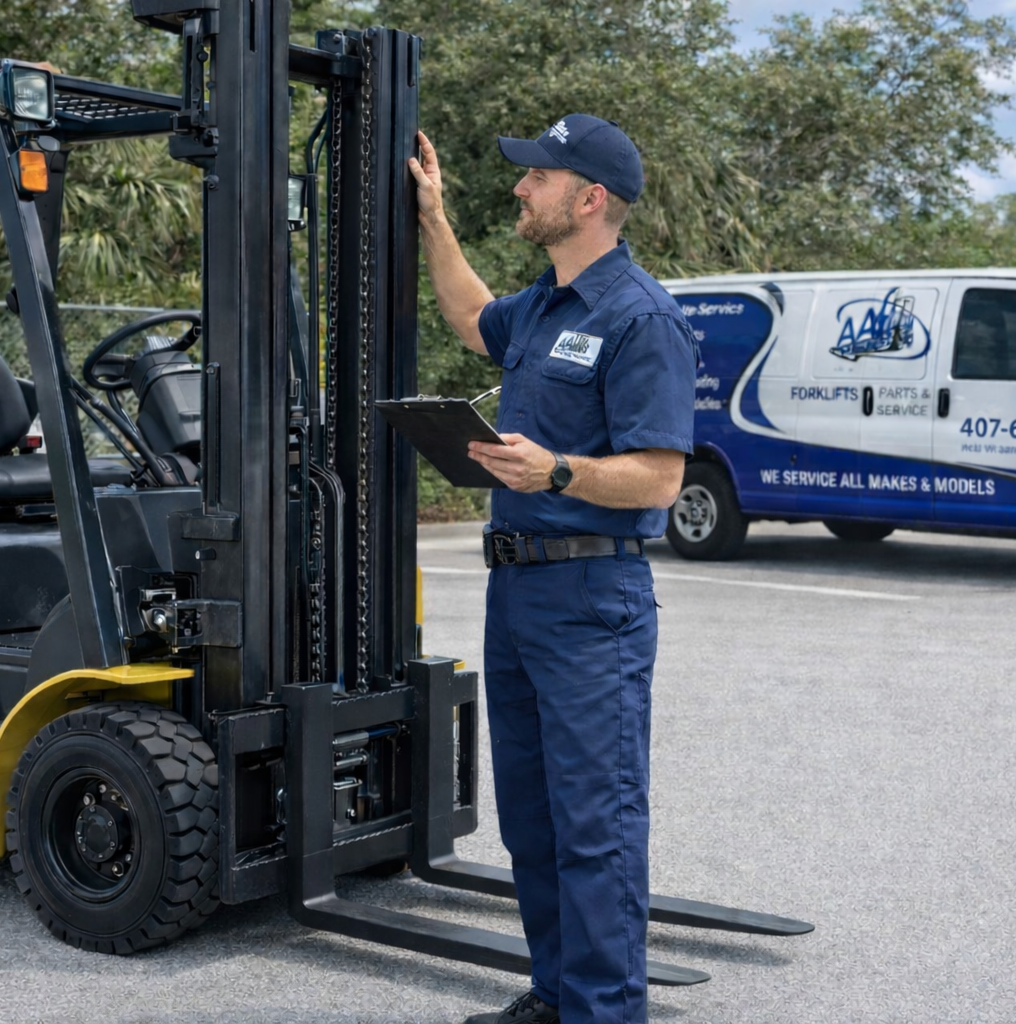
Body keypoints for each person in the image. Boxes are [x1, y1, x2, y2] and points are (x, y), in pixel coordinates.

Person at [407, 115, 696, 1024]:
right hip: (518, 589)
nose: (523, 189)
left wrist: (559, 470)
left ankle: (605, 1013)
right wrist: (432, 216)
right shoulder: (539, 305)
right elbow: (466, 315)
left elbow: (661, 474)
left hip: (591, 595)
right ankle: (557, 995)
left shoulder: (641, 317)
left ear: (590, 198)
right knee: (532, 815)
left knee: (595, 825)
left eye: (539, 178)